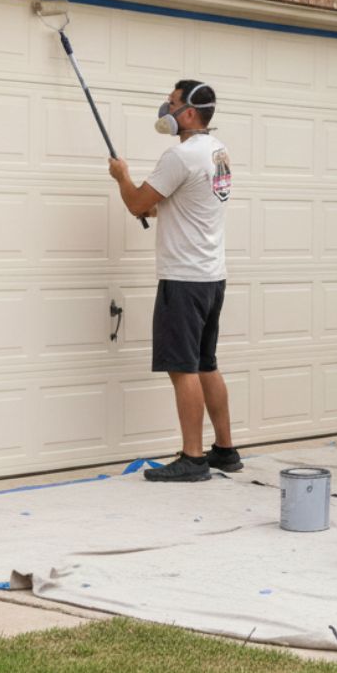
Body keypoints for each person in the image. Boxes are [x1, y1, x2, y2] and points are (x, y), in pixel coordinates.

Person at [108, 80, 241, 482]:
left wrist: (121, 176)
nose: (164, 108)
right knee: (205, 364)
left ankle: (193, 458)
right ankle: (225, 449)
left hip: (183, 279)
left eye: (170, 103)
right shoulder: (218, 152)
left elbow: (137, 203)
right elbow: (185, 199)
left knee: (182, 368)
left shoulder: (179, 156)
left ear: (187, 113)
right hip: (211, 276)